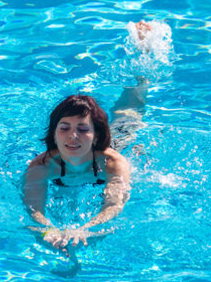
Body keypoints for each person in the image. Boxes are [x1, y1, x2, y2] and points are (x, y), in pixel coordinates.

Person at [22, 81, 149, 255]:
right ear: (54, 134)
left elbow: (114, 205)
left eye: (82, 129)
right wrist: (47, 229)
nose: (73, 136)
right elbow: (33, 207)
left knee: (128, 117)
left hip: (118, 144)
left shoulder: (112, 163)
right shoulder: (42, 166)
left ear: (96, 136)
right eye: (64, 128)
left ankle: (139, 81)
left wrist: (86, 228)